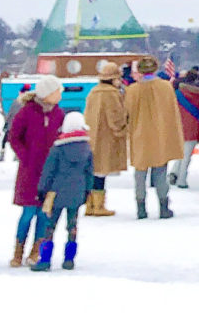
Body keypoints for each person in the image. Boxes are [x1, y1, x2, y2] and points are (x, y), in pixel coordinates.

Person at [7, 76, 65, 267]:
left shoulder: (59, 114)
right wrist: (25, 157)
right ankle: (18, 251)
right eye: (57, 92)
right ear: (47, 94)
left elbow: (62, 138)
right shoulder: (26, 112)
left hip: (50, 172)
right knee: (28, 212)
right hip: (30, 172)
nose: (60, 95)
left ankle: (36, 251)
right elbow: (14, 137)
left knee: (44, 213)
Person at [31, 111, 95, 272]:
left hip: (56, 192)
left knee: (50, 226)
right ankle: (69, 259)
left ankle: (45, 260)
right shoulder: (87, 149)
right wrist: (87, 191)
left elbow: (49, 171)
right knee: (72, 226)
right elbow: (89, 173)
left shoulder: (58, 148)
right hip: (77, 192)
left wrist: (42, 190)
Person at [124, 56, 183, 219]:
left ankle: (141, 207)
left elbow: (126, 113)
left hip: (139, 135)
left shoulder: (132, 90)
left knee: (140, 174)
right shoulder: (165, 87)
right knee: (160, 172)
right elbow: (172, 112)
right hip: (160, 134)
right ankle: (164, 207)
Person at [83, 61, 129, 216]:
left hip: (92, 136)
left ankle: (89, 204)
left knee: (93, 171)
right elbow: (116, 119)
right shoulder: (112, 94)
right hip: (107, 138)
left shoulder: (93, 92)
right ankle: (99, 206)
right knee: (101, 172)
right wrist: (124, 129)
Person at [171, 68, 199, 189]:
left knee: (181, 153)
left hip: (179, 125)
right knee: (187, 155)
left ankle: (174, 172)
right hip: (194, 126)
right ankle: (182, 180)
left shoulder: (178, 93)